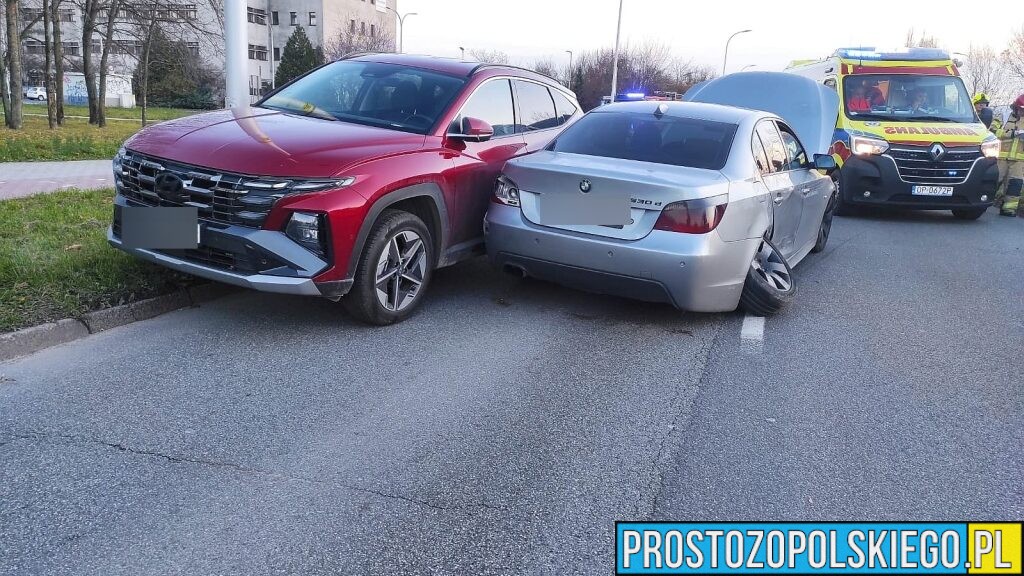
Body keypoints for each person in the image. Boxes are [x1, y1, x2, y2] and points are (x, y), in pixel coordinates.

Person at [994, 94, 1024, 217]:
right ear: (1015, 107)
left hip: (1019, 161)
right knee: (993, 181)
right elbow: (992, 131)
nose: (1022, 112)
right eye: (1020, 109)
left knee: (1015, 186)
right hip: (1000, 158)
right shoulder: (1004, 116)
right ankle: (981, 204)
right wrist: (1012, 133)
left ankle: (1009, 209)